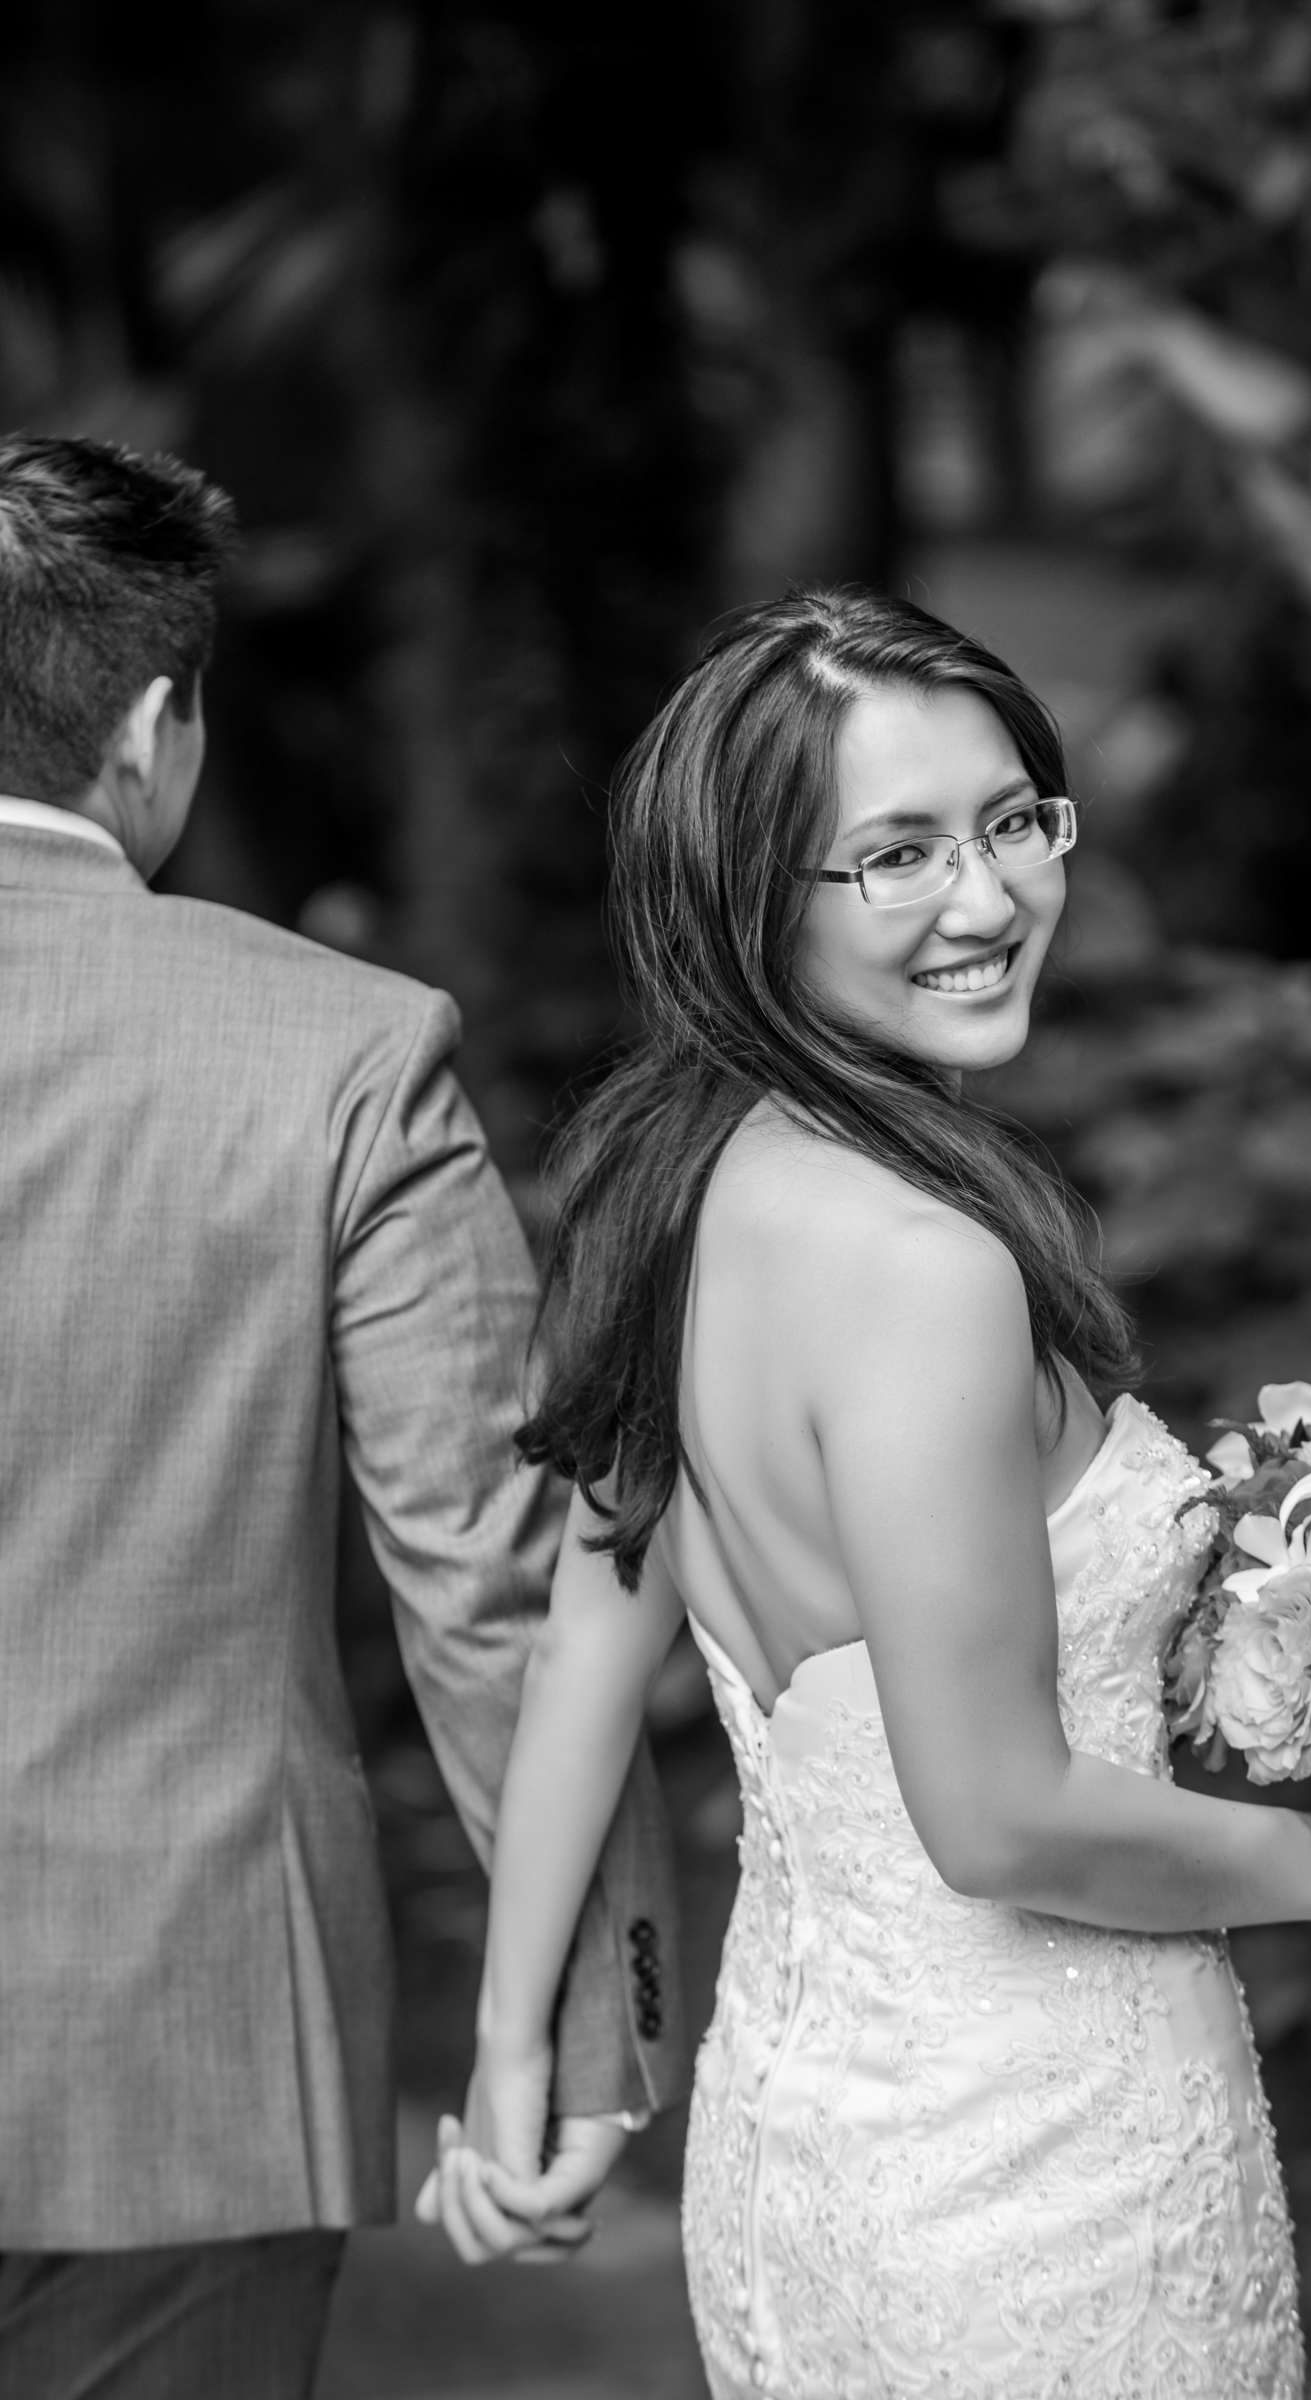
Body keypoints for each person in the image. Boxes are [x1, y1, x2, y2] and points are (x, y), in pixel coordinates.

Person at [427, 588, 1311, 2396]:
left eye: (1015, 821)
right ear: (747, 897)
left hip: (803, 2157)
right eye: (894, 855)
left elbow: (583, 1643)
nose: (987, 898)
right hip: (1043, 2201)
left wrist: (515, 2059)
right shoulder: (922, 1270)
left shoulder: (668, 1187)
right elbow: (1001, 1819)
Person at [0, 433, 683, 2400]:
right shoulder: (341, 1051)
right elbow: (485, 1577)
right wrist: (573, 2034)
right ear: (152, 726)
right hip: (181, 2041)